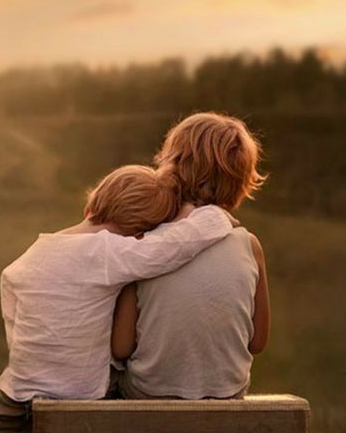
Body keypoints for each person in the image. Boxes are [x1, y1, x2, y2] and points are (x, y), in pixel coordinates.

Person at [0, 164, 236, 433]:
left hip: (15, 400)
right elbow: (172, 249)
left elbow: (15, 327)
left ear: (89, 207)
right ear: (136, 234)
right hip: (79, 401)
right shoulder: (109, 252)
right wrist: (215, 218)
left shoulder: (31, 256)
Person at [112, 112, 270, 401]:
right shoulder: (249, 245)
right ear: (241, 179)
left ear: (172, 164)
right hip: (227, 394)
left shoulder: (146, 244)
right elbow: (257, 342)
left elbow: (121, 347)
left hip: (149, 394)